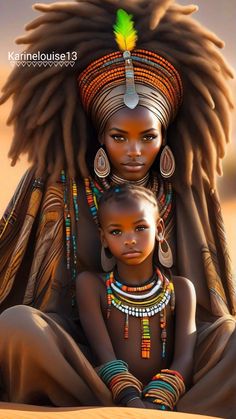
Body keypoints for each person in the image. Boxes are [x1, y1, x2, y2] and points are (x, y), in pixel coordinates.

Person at [0, 0, 235, 417]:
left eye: (147, 137)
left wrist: (173, 380)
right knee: (18, 327)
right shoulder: (62, 183)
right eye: (118, 136)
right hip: (83, 362)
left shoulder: (186, 187)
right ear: (99, 135)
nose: (133, 151)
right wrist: (118, 382)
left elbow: (205, 312)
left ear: (165, 137)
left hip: (181, 366)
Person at [76, 183, 196, 411]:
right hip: (105, 394)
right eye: (116, 232)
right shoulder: (91, 286)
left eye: (140, 228)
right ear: (103, 238)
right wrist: (132, 402)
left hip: (170, 401)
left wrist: (156, 403)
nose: (129, 239)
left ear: (159, 229)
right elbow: (104, 356)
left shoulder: (180, 289)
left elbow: (185, 358)